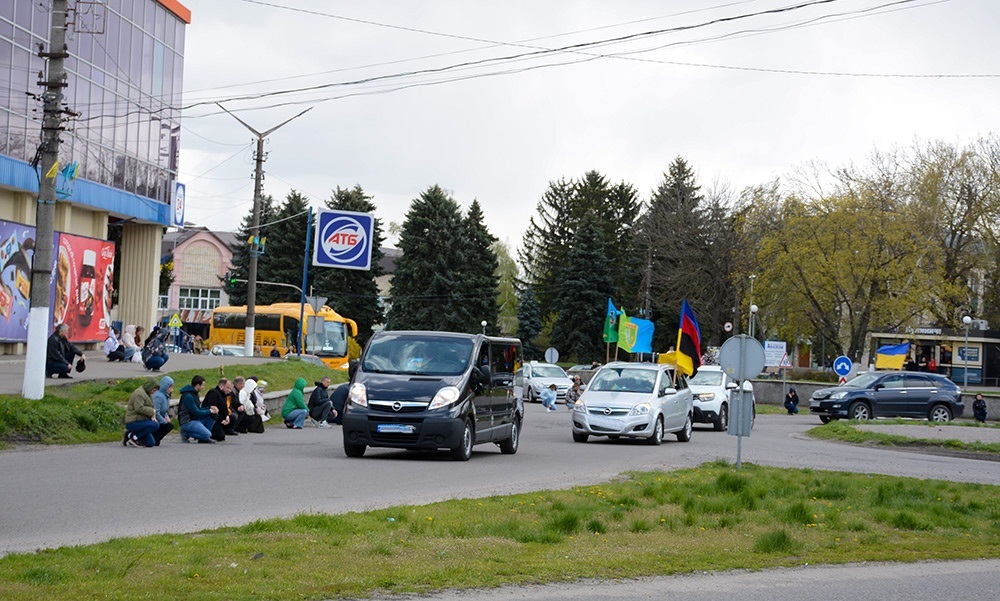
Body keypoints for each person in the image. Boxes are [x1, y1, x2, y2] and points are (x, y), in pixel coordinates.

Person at [177, 375, 218, 443]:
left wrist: (210, 408)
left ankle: (203, 437)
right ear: (197, 385)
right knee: (208, 434)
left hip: (195, 419)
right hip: (187, 422)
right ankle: (186, 433)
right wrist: (209, 411)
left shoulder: (195, 394)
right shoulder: (188, 396)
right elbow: (196, 411)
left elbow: (198, 409)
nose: (203, 387)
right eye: (202, 385)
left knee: (213, 416)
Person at [124, 379, 160, 447]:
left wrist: (152, 415)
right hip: (133, 421)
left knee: (150, 443)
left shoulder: (148, 394)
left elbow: (149, 407)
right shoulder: (139, 394)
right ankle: (134, 438)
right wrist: (152, 411)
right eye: (154, 390)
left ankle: (129, 435)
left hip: (142, 420)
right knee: (155, 425)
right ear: (150, 387)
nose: (154, 392)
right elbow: (139, 408)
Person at [151, 375, 176, 445]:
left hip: (160, 419)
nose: (172, 389)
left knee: (170, 425)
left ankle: (156, 438)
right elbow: (156, 411)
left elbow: (164, 410)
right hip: (154, 420)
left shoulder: (166, 396)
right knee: (155, 442)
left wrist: (166, 417)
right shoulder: (158, 396)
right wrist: (164, 421)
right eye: (171, 387)